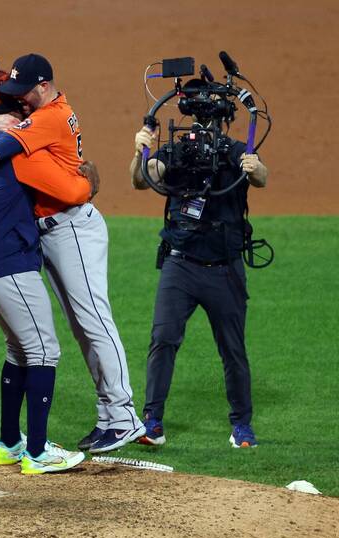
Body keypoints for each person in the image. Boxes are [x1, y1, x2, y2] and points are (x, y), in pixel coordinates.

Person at [0, 54, 146, 453]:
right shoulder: (40, 116)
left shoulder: (44, 121)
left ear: (44, 86)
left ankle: (124, 415)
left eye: (24, 93)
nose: (21, 101)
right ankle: (109, 415)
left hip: (72, 228)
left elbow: (70, 191)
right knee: (81, 324)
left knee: (94, 319)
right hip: (53, 231)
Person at [0, 59, 94, 474]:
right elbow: (74, 191)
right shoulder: (19, 150)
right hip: (8, 263)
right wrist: (91, 182)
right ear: (14, 110)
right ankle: (37, 452)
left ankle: (9, 442)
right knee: (44, 350)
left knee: (19, 349)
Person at [129, 80, 268, 448]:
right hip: (181, 265)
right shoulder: (176, 152)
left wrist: (254, 167)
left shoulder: (236, 152)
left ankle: (242, 426)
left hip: (225, 267)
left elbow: (261, 177)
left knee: (233, 350)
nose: (200, 132)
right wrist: (140, 151)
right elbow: (141, 180)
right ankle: (152, 422)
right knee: (163, 339)